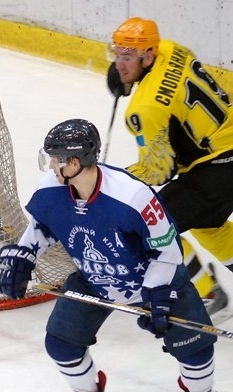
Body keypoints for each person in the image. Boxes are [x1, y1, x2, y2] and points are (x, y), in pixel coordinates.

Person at [0, 119, 233, 392]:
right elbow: (44, 225)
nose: (50, 165)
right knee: (61, 343)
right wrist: (25, 253)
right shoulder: (51, 189)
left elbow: (168, 250)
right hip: (95, 279)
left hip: (154, 280)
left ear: (75, 162)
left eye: (55, 158)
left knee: (195, 348)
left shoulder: (132, 196)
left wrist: (158, 292)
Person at [106, 17, 233, 323]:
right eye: (117, 54)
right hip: (224, 150)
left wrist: (109, 178)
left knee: (150, 227)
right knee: (208, 225)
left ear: (148, 56)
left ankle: (210, 297)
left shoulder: (145, 108)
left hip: (218, 167)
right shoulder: (171, 48)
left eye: (128, 57)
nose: (120, 64)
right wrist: (129, 70)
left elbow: (159, 171)